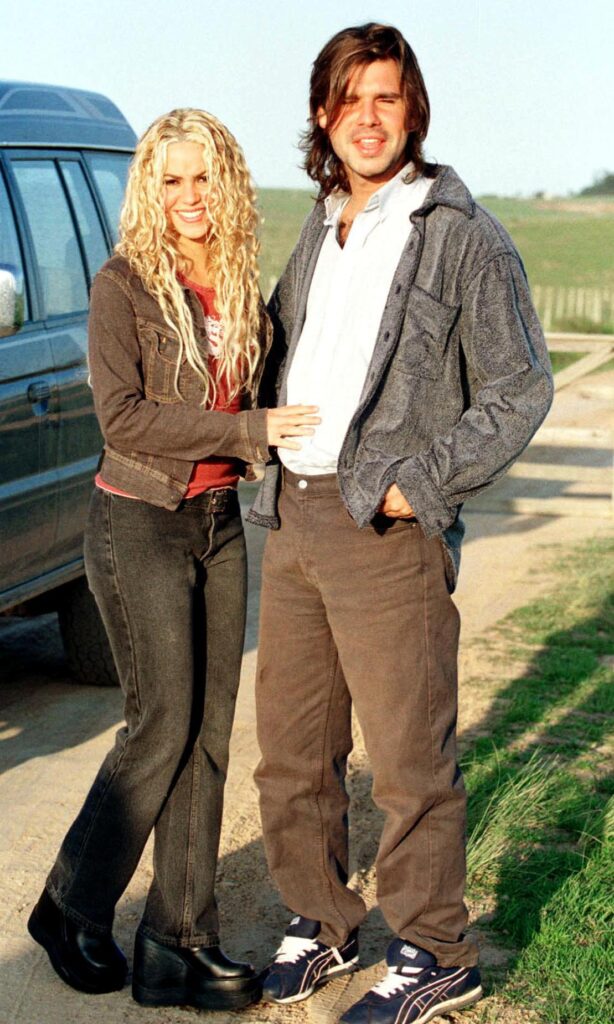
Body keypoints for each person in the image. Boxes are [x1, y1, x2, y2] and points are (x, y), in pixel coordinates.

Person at [248, 23, 553, 1024]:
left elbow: (518, 388)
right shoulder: (322, 221)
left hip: (384, 531)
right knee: (293, 751)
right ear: (322, 115)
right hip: (294, 519)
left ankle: (434, 950)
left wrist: (416, 485)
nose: (367, 118)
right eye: (349, 100)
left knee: (409, 760)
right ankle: (320, 917)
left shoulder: (458, 233)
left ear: (412, 109)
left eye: (385, 97)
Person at [27, 108, 318, 1012]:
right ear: (149, 191)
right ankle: (70, 905)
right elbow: (124, 417)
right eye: (171, 180)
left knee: (207, 735)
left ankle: (178, 944)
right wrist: (249, 431)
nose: (189, 197)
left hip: (219, 524)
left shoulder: (237, 280)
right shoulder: (123, 286)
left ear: (226, 184)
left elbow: (276, 383)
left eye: (203, 179)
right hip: (139, 521)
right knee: (159, 726)